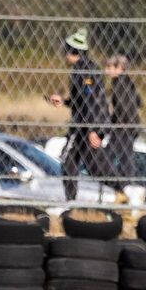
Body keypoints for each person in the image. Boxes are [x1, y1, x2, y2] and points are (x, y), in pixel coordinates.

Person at [47, 28, 123, 201]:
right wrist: (64, 101)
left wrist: (92, 130)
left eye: (64, 50)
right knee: (88, 165)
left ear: (70, 51)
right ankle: (123, 190)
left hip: (86, 125)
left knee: (74, 163)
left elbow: (91, 101)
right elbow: (82, 100)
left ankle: (124, 190)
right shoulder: (85, 67)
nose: (63, 54)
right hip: (87, 124)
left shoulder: (84, 70)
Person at [104, 55, 141, 189]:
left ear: (119, 68)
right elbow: (138, 102)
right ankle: (125, 186)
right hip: (130, 127)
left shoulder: (119, 83)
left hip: (122, 127)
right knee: (126, 160)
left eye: (109, 67)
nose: (106, 70)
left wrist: (112, 121)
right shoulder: (128, 82)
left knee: (105, 158)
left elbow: (122, 107)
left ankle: (121, 187)